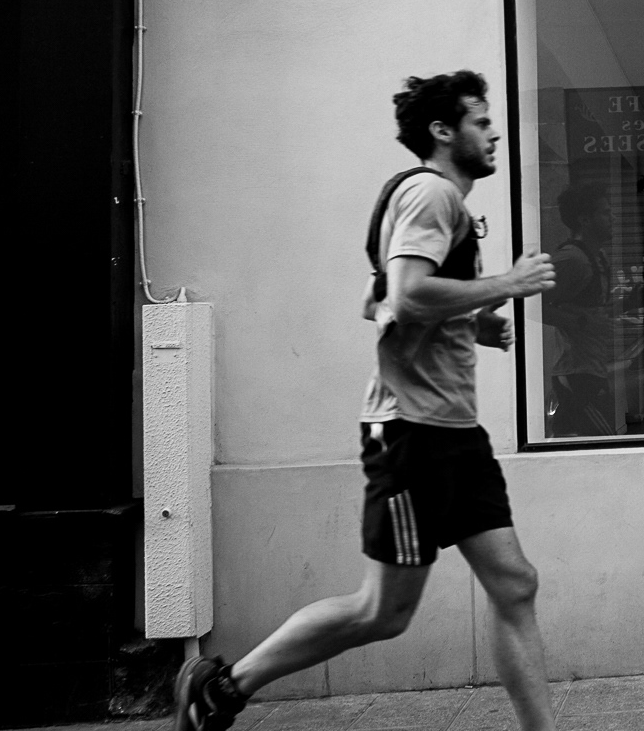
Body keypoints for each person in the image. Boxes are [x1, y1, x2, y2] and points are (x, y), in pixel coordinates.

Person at [173, 71, 559, 731]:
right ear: (443, 131)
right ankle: (222, 688)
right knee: (382, 612)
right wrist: (509, 284)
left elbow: (375, 299)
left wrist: (472, 321)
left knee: (514, 584)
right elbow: (406, 296)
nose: (494, 132)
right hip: (411, 434)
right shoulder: (431, 193)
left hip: (453, 431)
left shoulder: (430, 201)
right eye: (480, 120)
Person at [541, 184, 615, 436]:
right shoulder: (573, 260)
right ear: (585, 220)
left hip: (592, 370)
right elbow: (529, 303)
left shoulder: (598, 257)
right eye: (605, 212)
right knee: (606, 444)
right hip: (577, 375)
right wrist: (577, 322)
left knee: (576, 444)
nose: (613, 218)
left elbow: (594, 311)